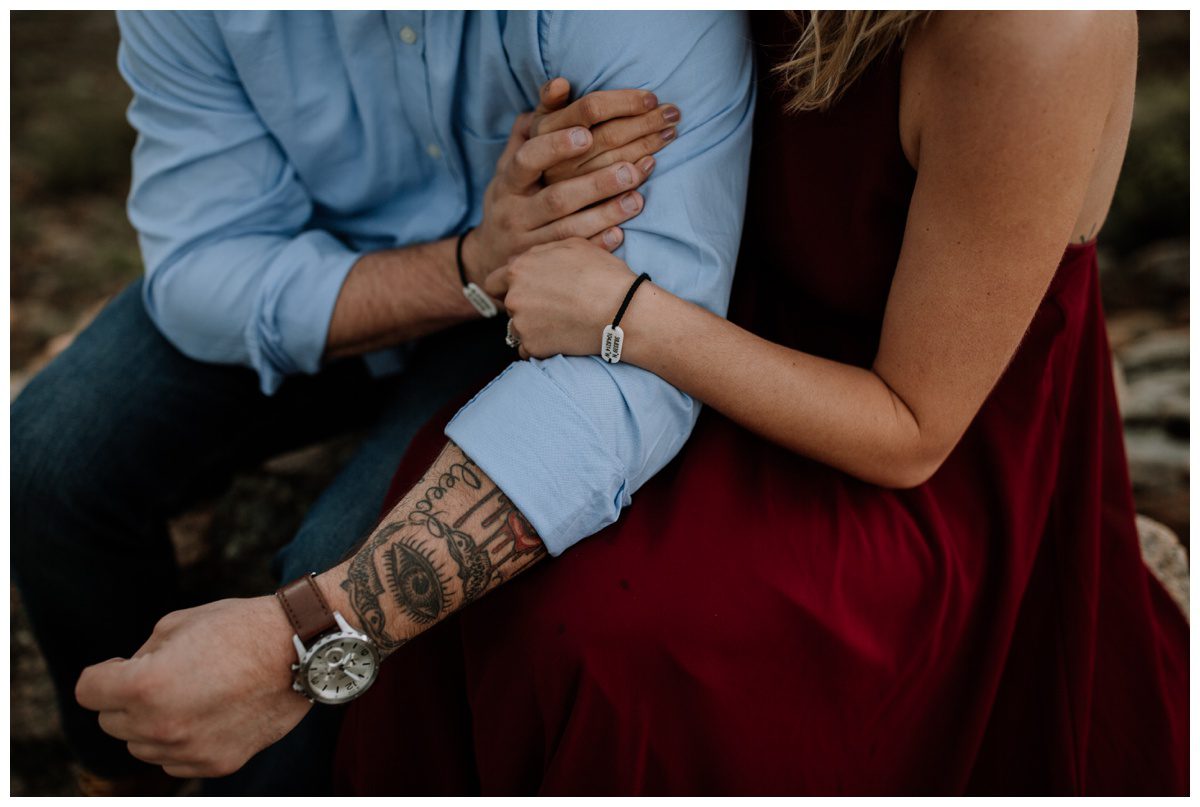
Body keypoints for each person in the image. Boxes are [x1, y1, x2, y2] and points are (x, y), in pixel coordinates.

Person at [331, 10, 1189, 795]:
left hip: (919, 472)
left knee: (614, 638)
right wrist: (546, 179)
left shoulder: (1033, 33)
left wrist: (628, 314)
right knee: (451, 526)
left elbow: (912, 433)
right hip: (714, 347)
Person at [12, 10, 753, 795]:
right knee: (48, 454)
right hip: (333, 271)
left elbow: (637, 352)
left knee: (324, 571)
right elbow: (202, 267)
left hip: (553, 298)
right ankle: (128, 770)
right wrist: (470, 264)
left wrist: (303, 635)